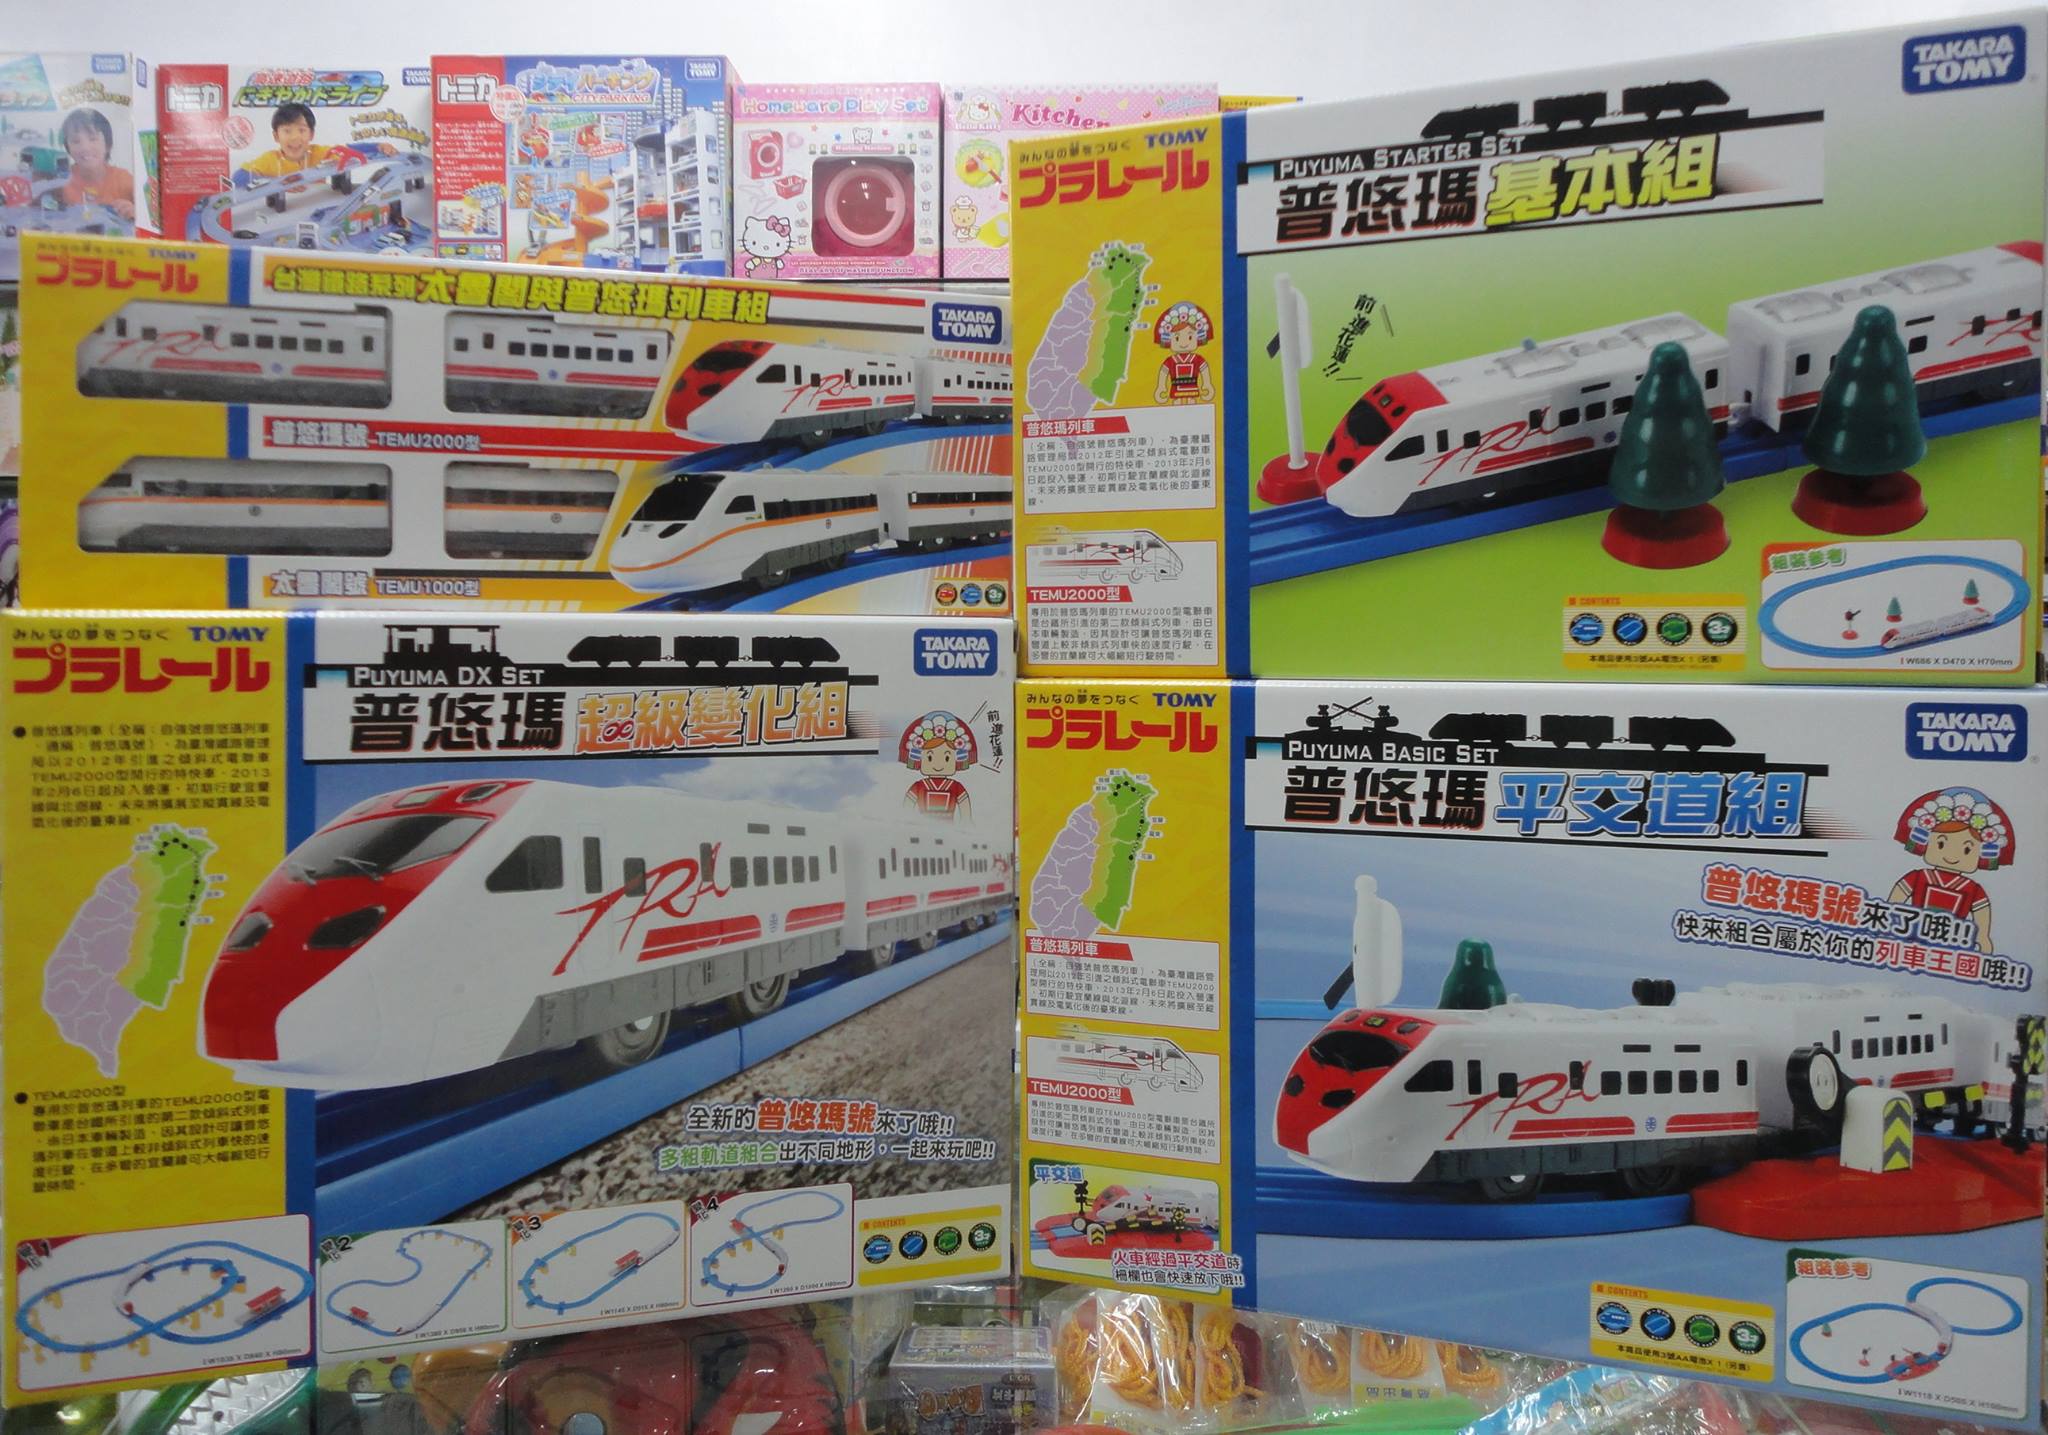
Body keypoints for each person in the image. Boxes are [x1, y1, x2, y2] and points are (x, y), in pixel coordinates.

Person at [56, 108, 135, 219]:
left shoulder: (124, 180)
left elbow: (151, 214)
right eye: (76, 141)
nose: (85, 147)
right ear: (68, 148)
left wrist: (135, 212)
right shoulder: (60, 182)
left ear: (108, 144)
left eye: (93, 139)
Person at [239, 103, 334, 181]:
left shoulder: (321, 153)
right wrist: (277, 184)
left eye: (301, 130)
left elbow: (342, 153)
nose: (294, 137)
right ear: (276, 136)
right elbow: (239, 176)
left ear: (311, 134)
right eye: (287, 131)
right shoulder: (270, 160)